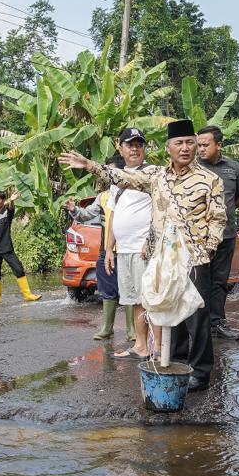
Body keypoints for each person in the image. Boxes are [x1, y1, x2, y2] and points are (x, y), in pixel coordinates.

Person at [60, 119, 227, 391]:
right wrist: (91, 165)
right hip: (162, 257)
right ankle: (178, 362)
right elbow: (124, 177)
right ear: (168, 147)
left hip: (195, 258)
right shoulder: (156, 177)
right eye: (178, 143)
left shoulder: (210, 180)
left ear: (196, 145)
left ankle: (201, 371)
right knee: (172, 311)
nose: (184, 148)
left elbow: (218, 219)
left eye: (189, 143)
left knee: (197, 315)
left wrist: (207, 248)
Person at [103, 128, 157, 359]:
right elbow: (113, 216)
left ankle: (158, 350)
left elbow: (161, 210)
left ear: (144, 148)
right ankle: (141, 346)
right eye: (129, 144)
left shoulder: (153, 174)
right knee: (134, 300)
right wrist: (108, 249)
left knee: (151, 300)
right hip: (123, 250)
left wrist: (150, 240)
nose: (134, 148)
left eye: (139, 144)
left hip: (143, 249)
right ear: (121, 148)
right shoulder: (117, 179)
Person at [196, 125, 239, 341]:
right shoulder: (192, 168)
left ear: (219, 145)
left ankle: (217, 322)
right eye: (198, 145)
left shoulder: (233, 168)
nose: (200, 149)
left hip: (225, 236)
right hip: (197, 238)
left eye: (205, 145)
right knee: (197, 280)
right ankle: (197, 326)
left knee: (219, 281)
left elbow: (238, 198)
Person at [65, 154, 126, 340]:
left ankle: (132, 331)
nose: (107, 176)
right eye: (105, 172)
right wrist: (74, 209)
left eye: (111, 172)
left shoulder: (131, 192)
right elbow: (86, 215)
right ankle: (107, 328)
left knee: (130, 291)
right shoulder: (103, 197)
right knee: (107, 289)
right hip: (105, 251)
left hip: (127, 249)